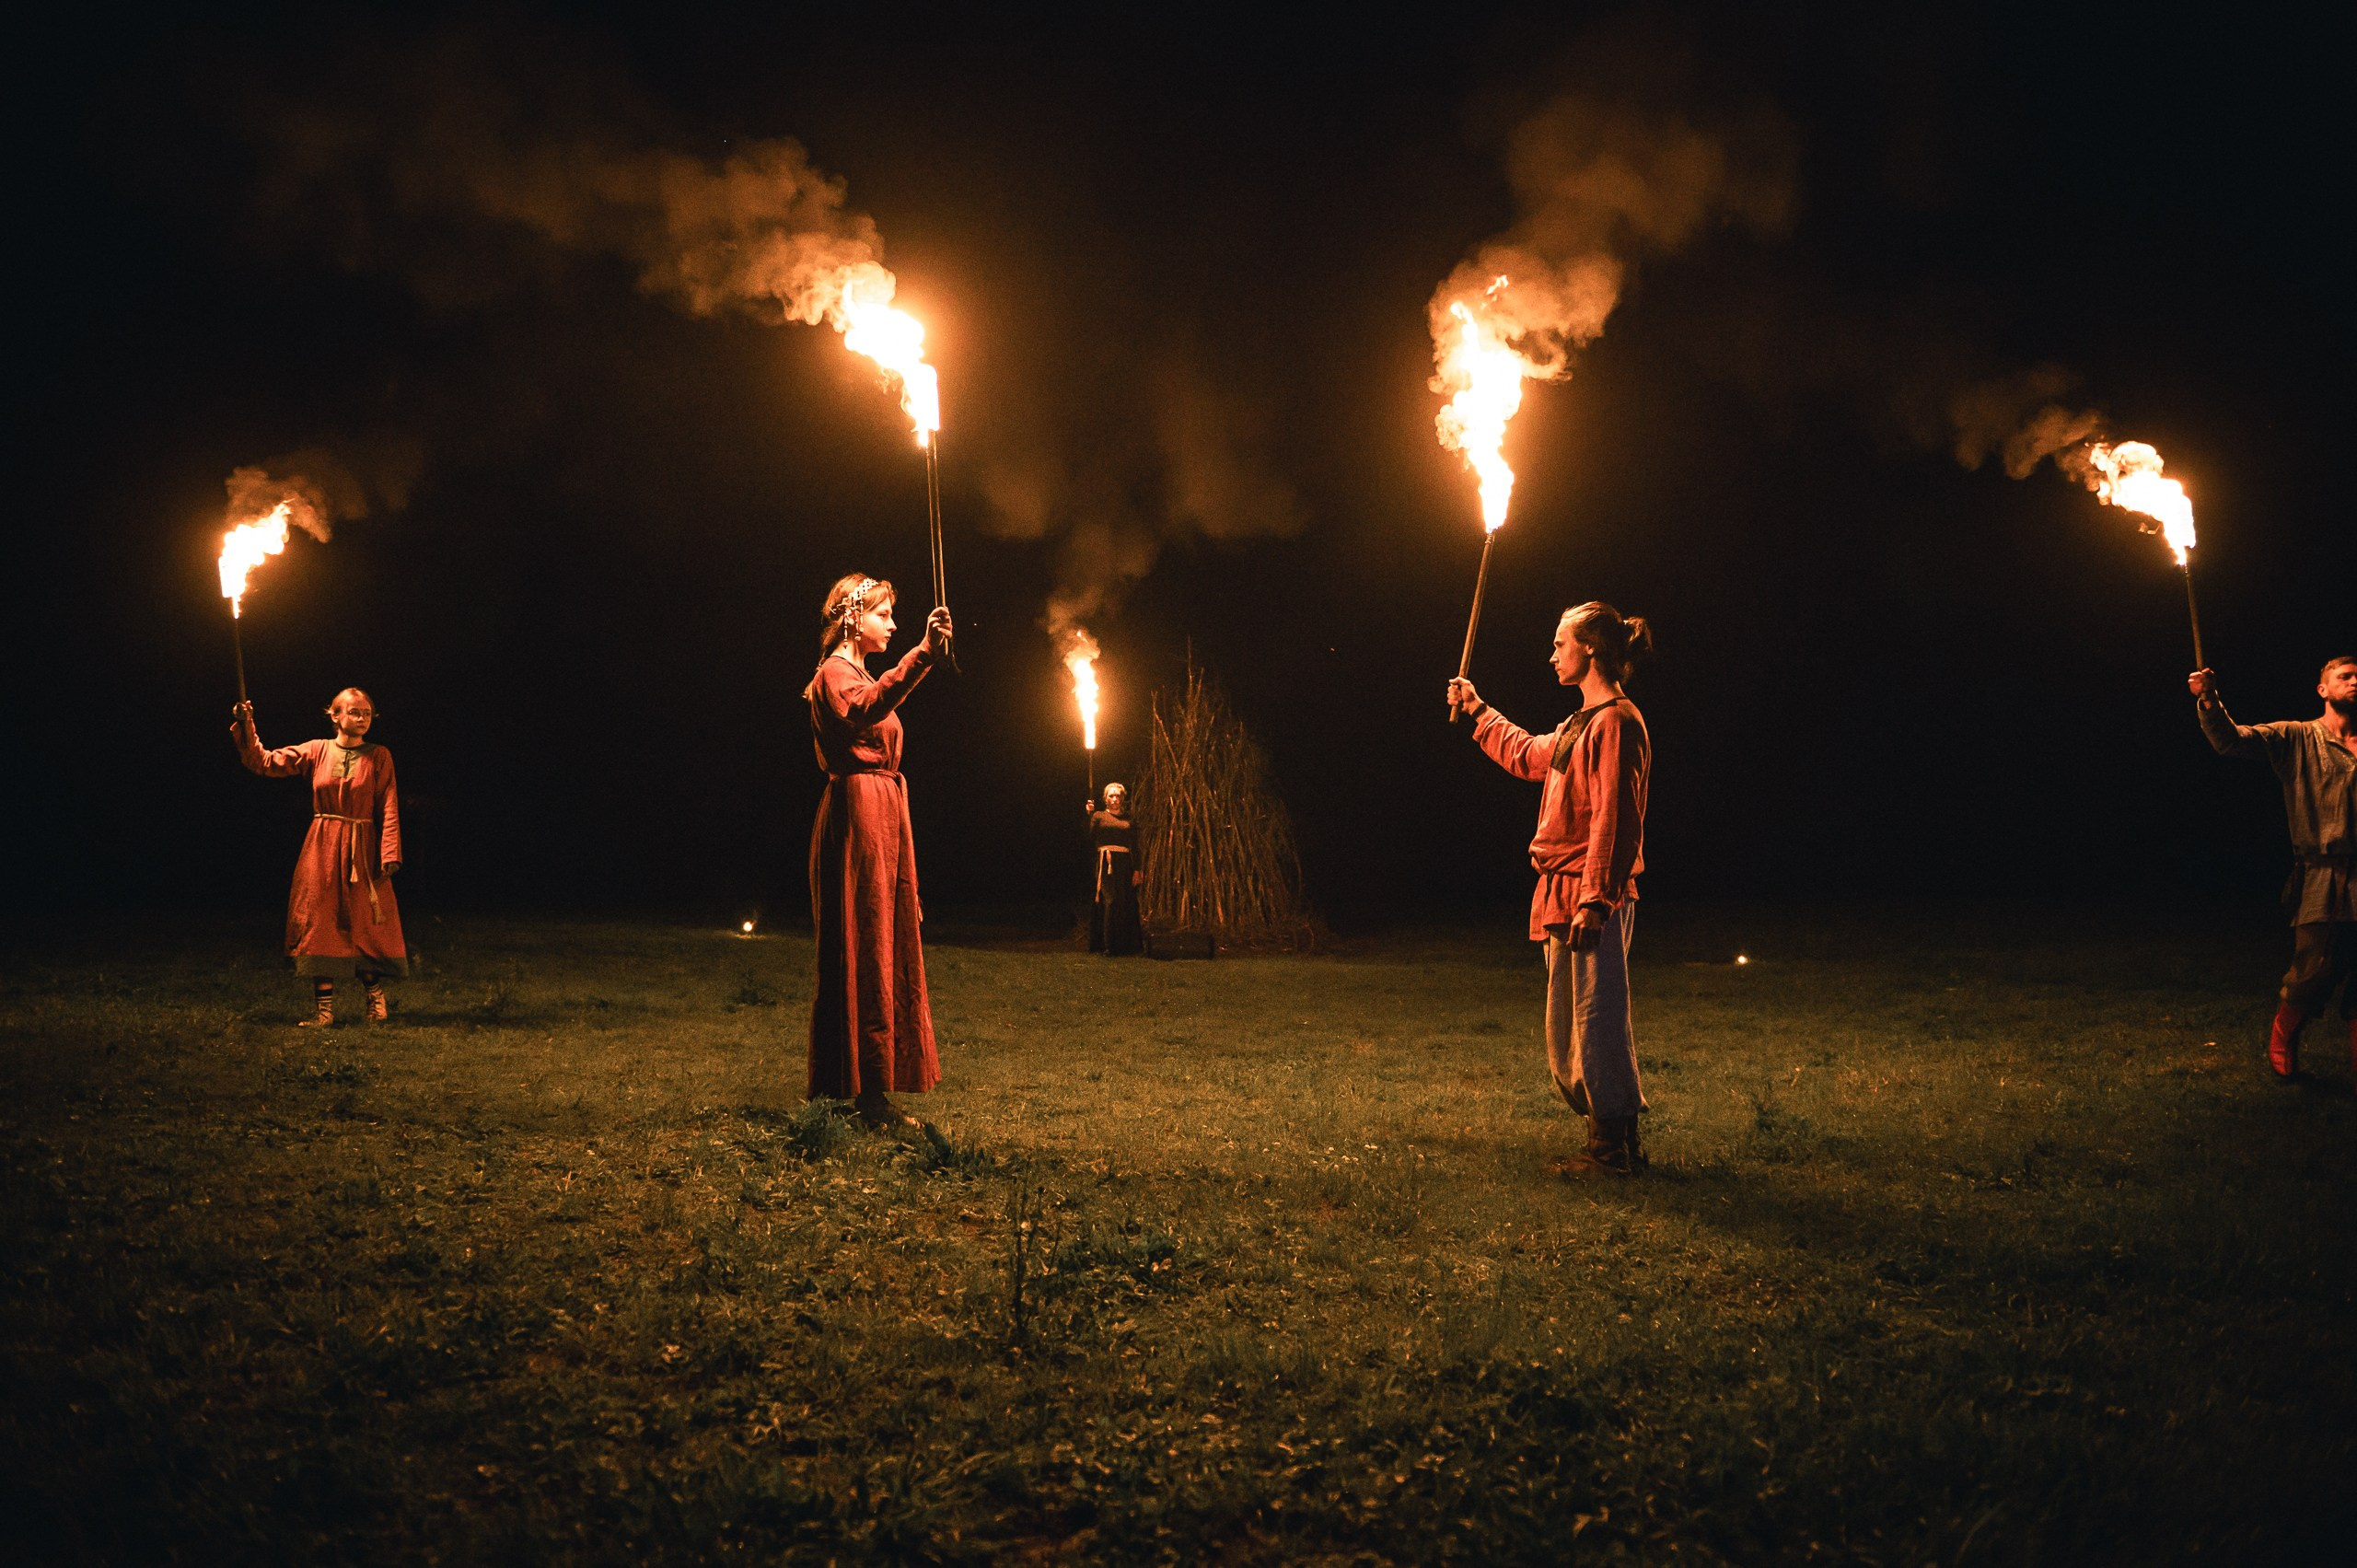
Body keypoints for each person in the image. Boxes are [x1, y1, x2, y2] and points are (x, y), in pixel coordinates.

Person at [1448, 603, 1654, 1177]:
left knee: (1598, 1019)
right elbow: (1526, 754)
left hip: (1591, 893)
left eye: (1559, 642)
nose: (1552, 653)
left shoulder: (1617, 723)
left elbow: (1615, 818)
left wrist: (1596, 898)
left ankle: (1613, 1150)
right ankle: (1612, 1141)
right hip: (1562, 889)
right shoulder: (1578, 724)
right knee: (1571, 1024)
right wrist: (1477, 710)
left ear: (1589, 647)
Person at [805, 574, 954, 1126]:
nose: (892, 624)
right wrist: (921, 654)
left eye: (895, 616)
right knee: (864, 942)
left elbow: (878, 697)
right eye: (884, 614)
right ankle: (863, 1093)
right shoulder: (834, 675)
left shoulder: (858, 672)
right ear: (852, 617)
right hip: (858, 819)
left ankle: (873, 1088)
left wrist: (924, 655)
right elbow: (868, 705)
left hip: (883, 815)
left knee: (885, 941)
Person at [2190, 656, 2357, 1079]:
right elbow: (2231, 741)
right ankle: (2283, 1035)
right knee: (2313, 971)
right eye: (2346, 676)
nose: (2356, 682)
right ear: (2323, 689)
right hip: (2323, 875)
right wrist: (2209, 699)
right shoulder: (2298, 738)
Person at [230, 689, 407, 1026]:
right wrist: (245, 723)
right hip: (322, 848)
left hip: (362, 849)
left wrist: (389, 851)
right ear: (335, 715)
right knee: (321, 923)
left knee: (364, 923)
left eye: (367, 713)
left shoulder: (380, 756)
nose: (362, 718)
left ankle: (376, 1000)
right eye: (354, 712)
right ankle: (324, 1011)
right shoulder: (317, 750)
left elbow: (389, 803)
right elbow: (263, 761)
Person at [1086, 783, 1144, 955]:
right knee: (1110, 901)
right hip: (1106, 862)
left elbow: (1135, 845)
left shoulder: (1129, 819)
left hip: (1125, 863)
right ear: (1105, 798)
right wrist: (1088, 814)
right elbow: (1088, 836)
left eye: (1118, 796)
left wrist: (1137, 870)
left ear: (1122, 799)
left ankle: (1127, 946)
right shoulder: (1098, 816)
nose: (1114, 799)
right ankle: (1109, 945)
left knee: (1126, 902)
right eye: (1111, 796)